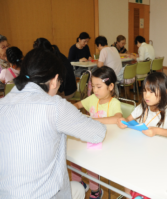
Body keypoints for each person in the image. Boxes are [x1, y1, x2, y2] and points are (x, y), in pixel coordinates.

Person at [0, 48, 107, 199]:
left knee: (76, 187)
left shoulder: (2, 104)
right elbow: (98, 133)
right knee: (77, 189)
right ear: (55, 79)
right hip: (41, 195)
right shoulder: (54, 106)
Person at [117, 72, 167, 198]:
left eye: (151, 92)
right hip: (141, 151)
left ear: (164, 92)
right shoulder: (142, 107)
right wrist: (122, 122)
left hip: (160, 156)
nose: (146, 95)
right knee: (128, 168)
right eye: (144, 91)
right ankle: (129, 194)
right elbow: (127, 119)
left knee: (148, 178)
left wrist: (156, 131)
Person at [72, 66, 122, 199]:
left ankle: (96, 191)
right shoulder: (93, 98)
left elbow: (117, 118)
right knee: (74, 158)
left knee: (91, 163)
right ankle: (78, 184)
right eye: (93, 86)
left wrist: (93, 119)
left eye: (99, 86)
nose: (95, 90)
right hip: (91, 138)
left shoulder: (114, 103)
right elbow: (77, 105)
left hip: (106, 142)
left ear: (110, 86)